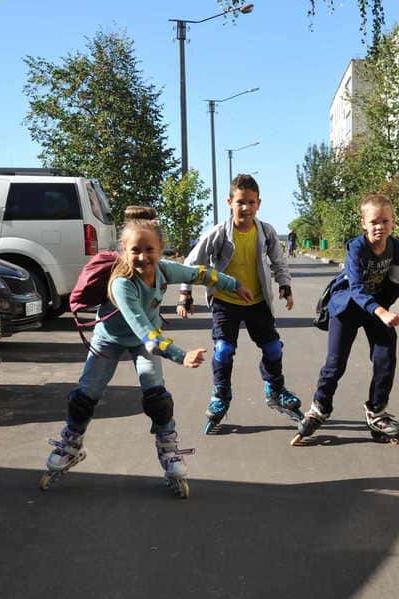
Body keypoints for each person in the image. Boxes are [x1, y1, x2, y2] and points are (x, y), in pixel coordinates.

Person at [42, 206, 251, 498]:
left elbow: (200, 274)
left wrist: (235, 284)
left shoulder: (164, 269)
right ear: (124, 252)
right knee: (86, 394)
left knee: (156, 395)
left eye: (149, 249)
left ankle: (168, 448)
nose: (143, 256)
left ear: (161, 249)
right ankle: (72, 443)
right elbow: (146, 333)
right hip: (111, 339)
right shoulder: (122, 284)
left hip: (143, 341)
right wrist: (181, 355)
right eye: (135, 250)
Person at [293, 193, 399, 445]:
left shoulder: (396, 247)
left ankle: (376, 411)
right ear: (364, 223)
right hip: (348, 308)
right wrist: (382, 311)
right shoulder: (357, 247)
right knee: (335, 363)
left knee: (385, 358)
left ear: (393, 222)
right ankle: (320, 407)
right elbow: (356, 288)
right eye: (374, 222)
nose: (380, 227)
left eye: (385, 221)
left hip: (377, 309)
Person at [177, 174, 300, 434]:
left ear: (259, 203)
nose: (246, 207)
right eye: (240, 202)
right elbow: (191, 263)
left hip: (257, 301)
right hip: (225, 301)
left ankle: (275, 388)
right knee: (223, 349)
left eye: (251, 202)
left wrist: (285, 285)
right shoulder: (219, 233)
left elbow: (279, 262)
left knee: (273, 348)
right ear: (229, 202)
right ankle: (221, 394)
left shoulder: (266, 232)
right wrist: (185, 294)